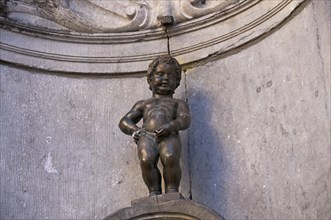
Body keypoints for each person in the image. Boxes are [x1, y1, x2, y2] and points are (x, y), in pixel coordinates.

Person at [119, 55, 191, 196]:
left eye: (170, 76)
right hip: (147, 136)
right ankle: (154, 192)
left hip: (169, 135)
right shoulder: (144, 104)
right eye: (160, 74)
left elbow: (185, 119)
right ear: (150, 79)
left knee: (170, 157)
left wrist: (171, 126)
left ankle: (172, 191)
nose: (165, 78)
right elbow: (124, 121)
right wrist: (135, 131)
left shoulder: (178, 104)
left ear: (177, 82)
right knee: (146, 161)